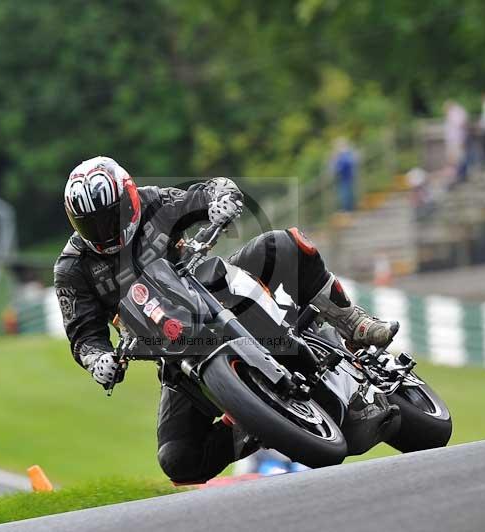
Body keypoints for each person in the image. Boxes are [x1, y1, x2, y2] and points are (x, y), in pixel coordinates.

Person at [54, 156, 398, 483]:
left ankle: (352, 322)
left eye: (110, 217)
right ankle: (253, 422)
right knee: (179, 460)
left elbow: (208, 190)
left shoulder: (154, 203)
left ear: (128, 197)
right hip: (173, 349)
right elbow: (84, 335)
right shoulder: (72, 268)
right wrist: (97, 359)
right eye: (90, 224)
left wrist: (222, 199)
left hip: (213, 288)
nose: (104, 230)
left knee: (281, 244)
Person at [331, 139, 358, 211]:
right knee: (346, 192)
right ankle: (348, 208)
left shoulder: (344, 154)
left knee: (346, 193)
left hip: (346, 176)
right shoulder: (344, 154)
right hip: (345, 177)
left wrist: (336, 161)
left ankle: (348, 208)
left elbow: (340, 166)